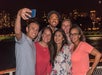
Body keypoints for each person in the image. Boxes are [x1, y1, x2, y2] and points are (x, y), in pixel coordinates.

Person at [15, 8, 40, 75]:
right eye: (32, 28)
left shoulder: (33, 44)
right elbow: (17, 32)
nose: (35, 31)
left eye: (37, 30)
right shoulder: (23, 39)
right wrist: (19, 14)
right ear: (27, 29)